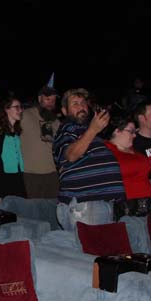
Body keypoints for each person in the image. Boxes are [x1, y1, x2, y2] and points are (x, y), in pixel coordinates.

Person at [53, 89, 125, 230]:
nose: (81, 107)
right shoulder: (67, 129)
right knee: (90, 245)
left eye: (83, 103)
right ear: (64, 111)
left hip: (104, 202)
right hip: (85, 204)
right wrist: (93, 129)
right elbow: (71, 155)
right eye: (75, 104)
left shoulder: (90, 133)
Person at [103, 115, 151, 218]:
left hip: (149, 205)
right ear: (117, 131)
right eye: (131, 131)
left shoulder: (135, 151)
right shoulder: (106, 151)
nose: (134, 135)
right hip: (128, 210)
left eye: (135, 132)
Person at [19, 85, 60, 199]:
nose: (51, 103)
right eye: (47, 99)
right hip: (30, 174)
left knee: (52, 207)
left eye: (53, 100)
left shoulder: (56, 121)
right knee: (33, 208)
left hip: (52, 174)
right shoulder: (25, 115)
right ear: (39, 98)